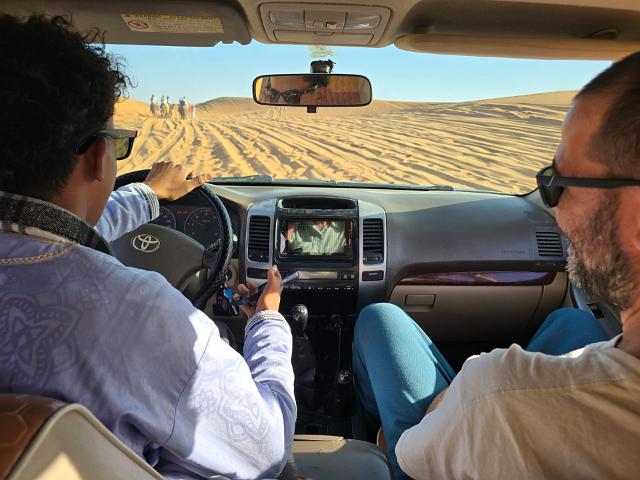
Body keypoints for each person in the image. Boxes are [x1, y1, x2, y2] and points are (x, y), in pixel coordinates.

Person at [0, 14, 295, 480]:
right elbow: (268, 449)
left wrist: (148, 195)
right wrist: (269, 325)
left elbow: (53, 226)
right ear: (99, 156)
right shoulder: (138, 313)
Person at [353, 53, 640, 479]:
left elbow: (413, 452)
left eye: (556, 185)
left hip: (428, 455)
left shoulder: (495, 395)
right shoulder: (503, 390)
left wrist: (456, 400)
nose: (553, 210)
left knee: (380, 319)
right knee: (573, 323)